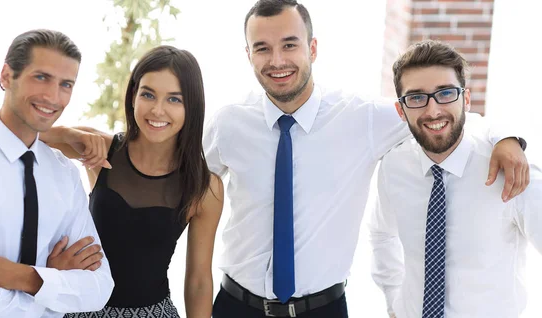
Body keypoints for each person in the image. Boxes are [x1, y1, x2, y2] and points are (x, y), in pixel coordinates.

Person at [202, 1, 530, 317]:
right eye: (262, 48)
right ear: (248, 55)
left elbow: (435, 113)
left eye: (290, 45)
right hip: (236, 305)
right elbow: (185, 186)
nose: (277, 60)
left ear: (312, 48)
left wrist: (506, 136)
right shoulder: (228, 124)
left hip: (323, 309)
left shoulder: (363, 119)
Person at [40, 45, 224, 318]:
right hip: (84, 308)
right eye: (148, 94)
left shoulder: (204, 187)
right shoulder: (102, 150)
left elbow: (198, 281)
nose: (157, 110)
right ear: (134, 96)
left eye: (174, 99)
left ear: (192, 106)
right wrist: (68, 134)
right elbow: (22, 137)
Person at [0, 29, 115, 317]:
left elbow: (98, 287)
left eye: (66, 84)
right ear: (7, 76)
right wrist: (54, 283)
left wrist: (27, 278)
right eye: (42, 77)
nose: (53, 97)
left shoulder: (64, 174)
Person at [369, 40, 541, 318]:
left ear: (467, 99)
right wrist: (395, 303)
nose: (433, 110)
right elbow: (382, 234)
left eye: (446, 93)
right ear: (401, 110)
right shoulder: (394, 166)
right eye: (416, 98)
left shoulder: (512, 170)